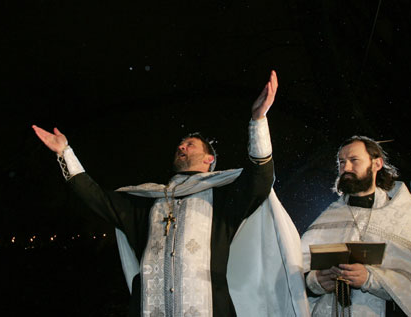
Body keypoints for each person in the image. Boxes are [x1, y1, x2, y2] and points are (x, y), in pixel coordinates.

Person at [33, 71, 309, 316]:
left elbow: (260, 178)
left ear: (209, 159)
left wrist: (258, 121)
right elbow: (97, 198)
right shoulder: (147, 201)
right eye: (180, 144)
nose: (182, 147)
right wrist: (65, 153)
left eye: (190, 144)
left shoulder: (223, 197)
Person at [301, 136, 411, 316]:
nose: (346, 168)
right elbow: (296, 272)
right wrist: (316, 281)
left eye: (354, 160)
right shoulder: (329, 217)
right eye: (342, 162)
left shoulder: (404, 216)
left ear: (377, 164)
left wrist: (370, 279)